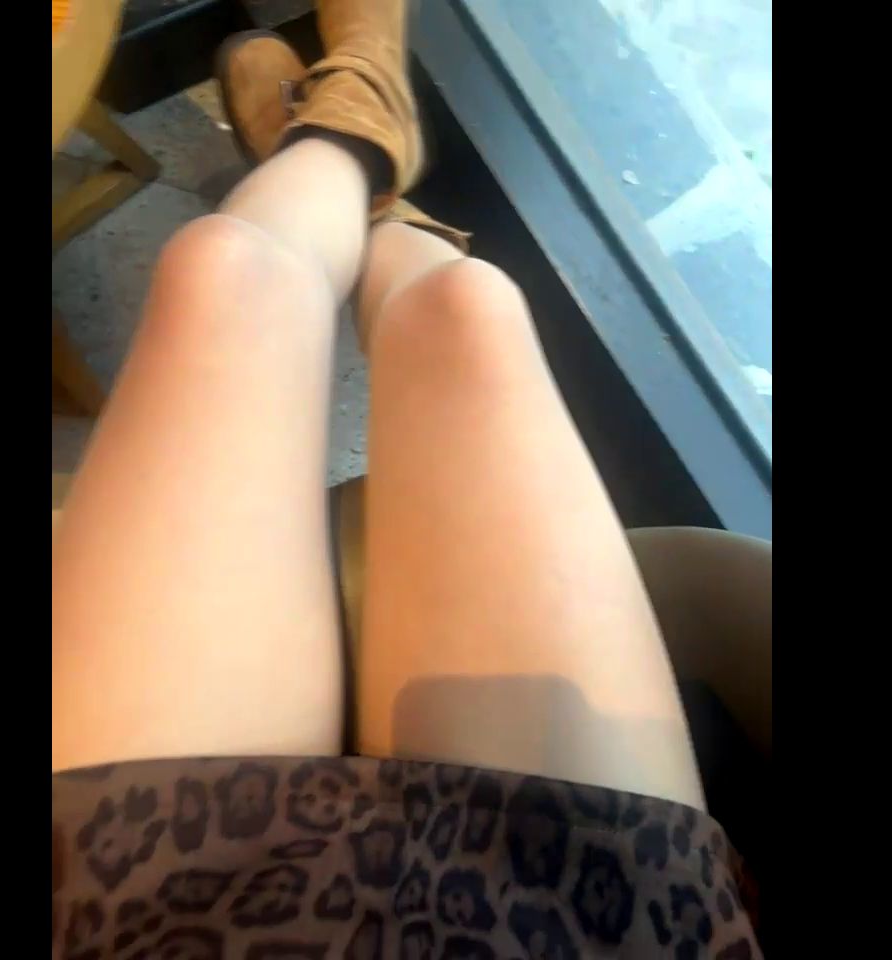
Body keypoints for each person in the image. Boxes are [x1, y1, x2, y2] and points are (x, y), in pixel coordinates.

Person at [51, 2, 761, 956]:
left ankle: (347, 144)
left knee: (223, 273)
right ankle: (361, 145)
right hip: (588, 921)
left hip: (130, 915)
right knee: (469, 308)